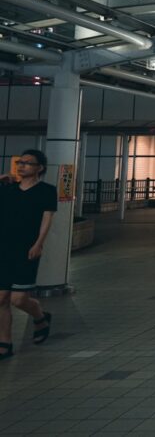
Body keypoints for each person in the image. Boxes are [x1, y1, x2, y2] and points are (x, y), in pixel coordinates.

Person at [1, 149, 59, 360]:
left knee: (18, 299)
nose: (21, 166)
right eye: (20, 162)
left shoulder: (46, 191)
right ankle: (5, 344)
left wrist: (38, 243)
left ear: (39, 168)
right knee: (1, 299)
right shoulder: (7, 188)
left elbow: (47, 219)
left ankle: (40, 317)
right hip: (3, 248)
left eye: (27, 163)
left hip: (27, 249)